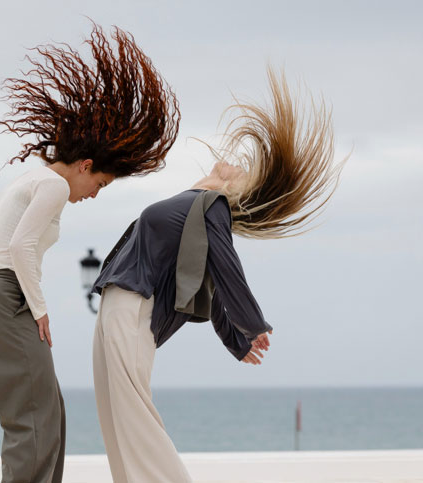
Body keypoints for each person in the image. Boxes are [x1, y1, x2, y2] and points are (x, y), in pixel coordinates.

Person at [90, 70, 344, 483]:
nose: (239, 164)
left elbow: (228, 272)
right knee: (116, 424)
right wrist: (235, 339)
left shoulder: (214, 207)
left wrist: (251, 325)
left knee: (136, 423)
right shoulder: (193, 209)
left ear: (240, 193)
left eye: (247, 171)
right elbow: (213, 284)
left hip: (134, 310)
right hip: (117, 307)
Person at [0, 24, 179, 483]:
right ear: (84, 166)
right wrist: (37, 309)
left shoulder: (27, 180)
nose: (95, 194)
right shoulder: (53, 185)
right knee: (37, 418)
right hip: (8, 297)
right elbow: (21, 247)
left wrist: (0, 292)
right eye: (98, 183)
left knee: (45, 412)